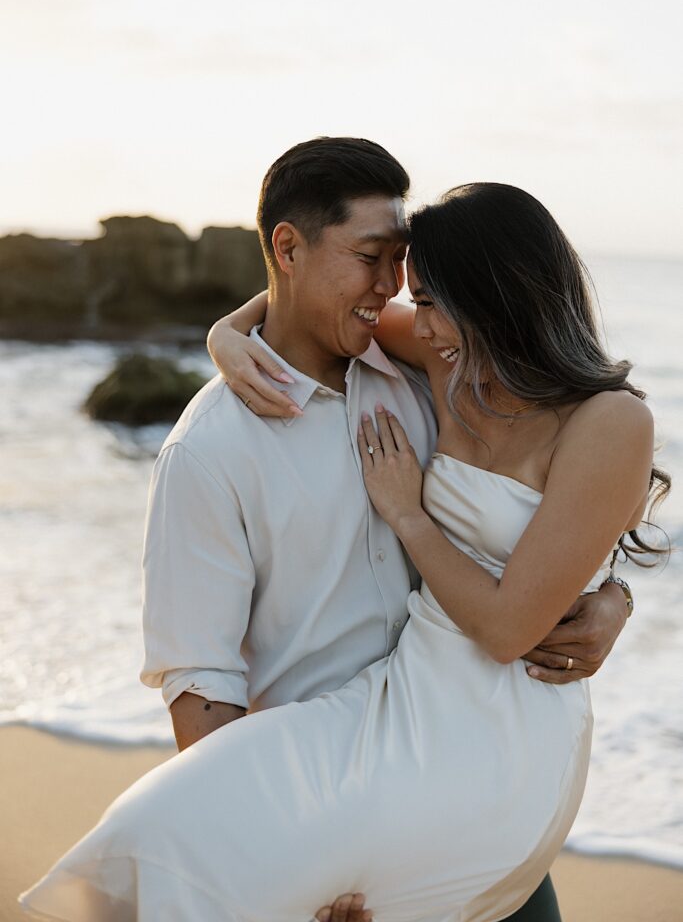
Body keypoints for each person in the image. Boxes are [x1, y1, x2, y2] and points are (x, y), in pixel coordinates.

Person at [18, 142, 650, 922]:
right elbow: (203, 693)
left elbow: (558, 495)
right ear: (288, 248)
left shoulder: (429, 372)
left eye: (402, 268)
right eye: (370, 259)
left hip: (482, 772)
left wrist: (610, 596)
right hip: (331, 814)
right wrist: (276, 860)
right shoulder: (210, 449)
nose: (388, 289)